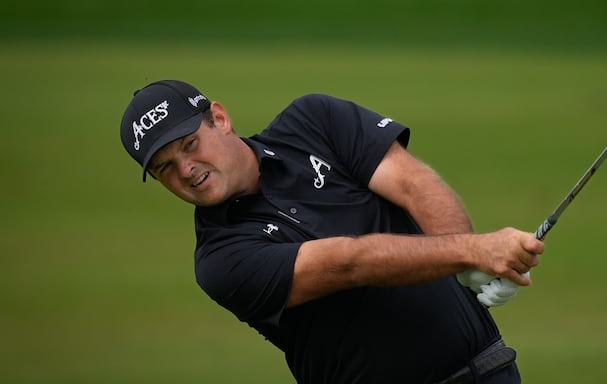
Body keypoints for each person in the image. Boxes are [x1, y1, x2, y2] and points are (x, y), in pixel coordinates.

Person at [120, 79, 544, 383]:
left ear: (219, 118)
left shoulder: (314, 122)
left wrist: (462, 268)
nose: (186, 169)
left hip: (490, 370)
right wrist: (469, 253)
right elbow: (347, 264)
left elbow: (415, 185)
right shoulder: (220, 261)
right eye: (165, 168)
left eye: (189, 145)